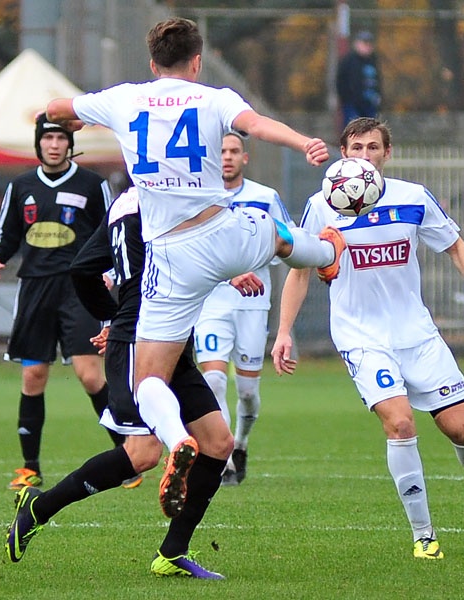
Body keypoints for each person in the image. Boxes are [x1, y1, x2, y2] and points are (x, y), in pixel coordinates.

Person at [44, 17, 344, 518]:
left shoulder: (124, 98)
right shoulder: (214, 98)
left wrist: (74, 119)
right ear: (197, 62)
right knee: (280, 238)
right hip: (224, 232)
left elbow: (53, 109)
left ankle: (177, 438)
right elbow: (257, 126)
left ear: (152, 61)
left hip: (173, 255)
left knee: (148, 383)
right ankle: (330, 254)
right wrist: (302, 143)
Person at [271, 118, 464, 560]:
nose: (364, 155)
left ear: (386, 154)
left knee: (462, 430)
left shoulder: (412, 197)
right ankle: (424, 535)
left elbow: (456, 245)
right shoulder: (323, 205)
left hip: (416, 333)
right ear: (343, 153)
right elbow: (300, 269)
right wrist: (284, 332)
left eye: (373, 147)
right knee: (401, 423)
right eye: (356, 148)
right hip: (360, 336)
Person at [6, 185, 244, 578]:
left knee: (218, 443)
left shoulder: (127, 201)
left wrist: (110, 314)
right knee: (143, 454)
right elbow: (197, 252)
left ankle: (172, 552)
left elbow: (84, 267)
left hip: (167, 337)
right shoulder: (171, 199)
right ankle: (38, 509)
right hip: (141, 338)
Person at [0, 113, 131, 491]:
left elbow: (112, 231)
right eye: (47, 139)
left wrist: (109, 272)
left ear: (69, 144)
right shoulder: (22, 186)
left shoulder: (92, 185)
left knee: (90, 374)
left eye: (60, 139)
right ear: (39, 143)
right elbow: (7, 234)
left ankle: (127, 456)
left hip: (79, 289)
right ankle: (30, 467)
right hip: (35, 289)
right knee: (33, 376)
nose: (53, 145)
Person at [194, 132, 291, 485]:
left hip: (252, 304)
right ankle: (223, 461)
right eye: (221, 151)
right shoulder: (200, 196)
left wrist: (254, 255)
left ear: (244, 158)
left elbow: (286, 242)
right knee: (215, 380)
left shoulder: (264, 198)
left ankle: (242, 444)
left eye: (234, 151)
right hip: (210, 302)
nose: (227, 157)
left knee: (248, 393)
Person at [335, 30, 382, 131]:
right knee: (353, 130)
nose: (367, 47)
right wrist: (347, 98)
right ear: (357, 44)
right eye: (364, 43)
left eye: (369, 44)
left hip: (369, 103)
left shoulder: (372, 60)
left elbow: (377, 81)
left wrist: (378, 96)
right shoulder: (349, 61)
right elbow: (340, 81)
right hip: (352, 104)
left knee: (370, 131)